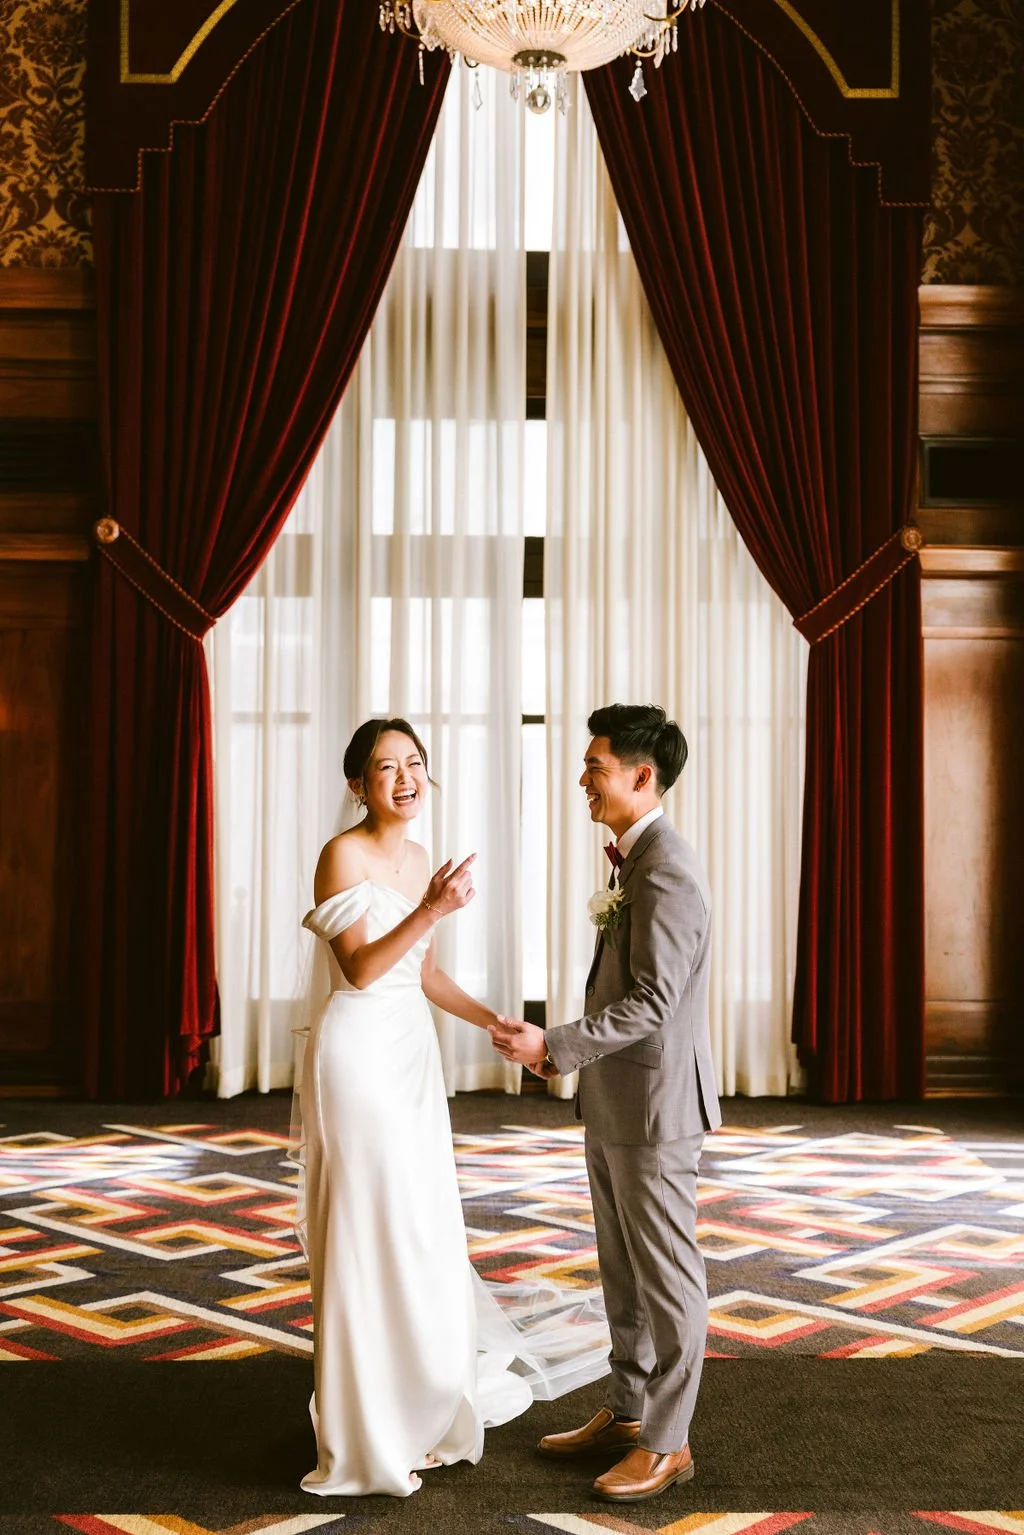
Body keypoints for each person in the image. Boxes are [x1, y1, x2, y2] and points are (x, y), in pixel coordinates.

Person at [490, 702, 721, 1506]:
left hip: (656, 1113)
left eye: (594, 766)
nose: (582, 778)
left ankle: (668, 1441)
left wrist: (552, 1046)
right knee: (623, 1274)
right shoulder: (636, 860)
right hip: (618, 1103)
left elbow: (654, 1001)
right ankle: (629, 1408)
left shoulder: (667, 868)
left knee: (668, 1279)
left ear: (640, 774)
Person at [297, 716, 532, 1498]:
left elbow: (423, 976)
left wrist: (491, 1018)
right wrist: (429, 909)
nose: (405, 777)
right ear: (358, 785)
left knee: (419, 1224)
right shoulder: (344, 855)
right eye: (385, 767)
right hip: (357, 1055)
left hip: (410, 1053)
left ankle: (417, 1404)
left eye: (416, 763)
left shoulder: (422, 858)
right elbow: (361, 969)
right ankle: (366, 1427)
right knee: (369, 1224)